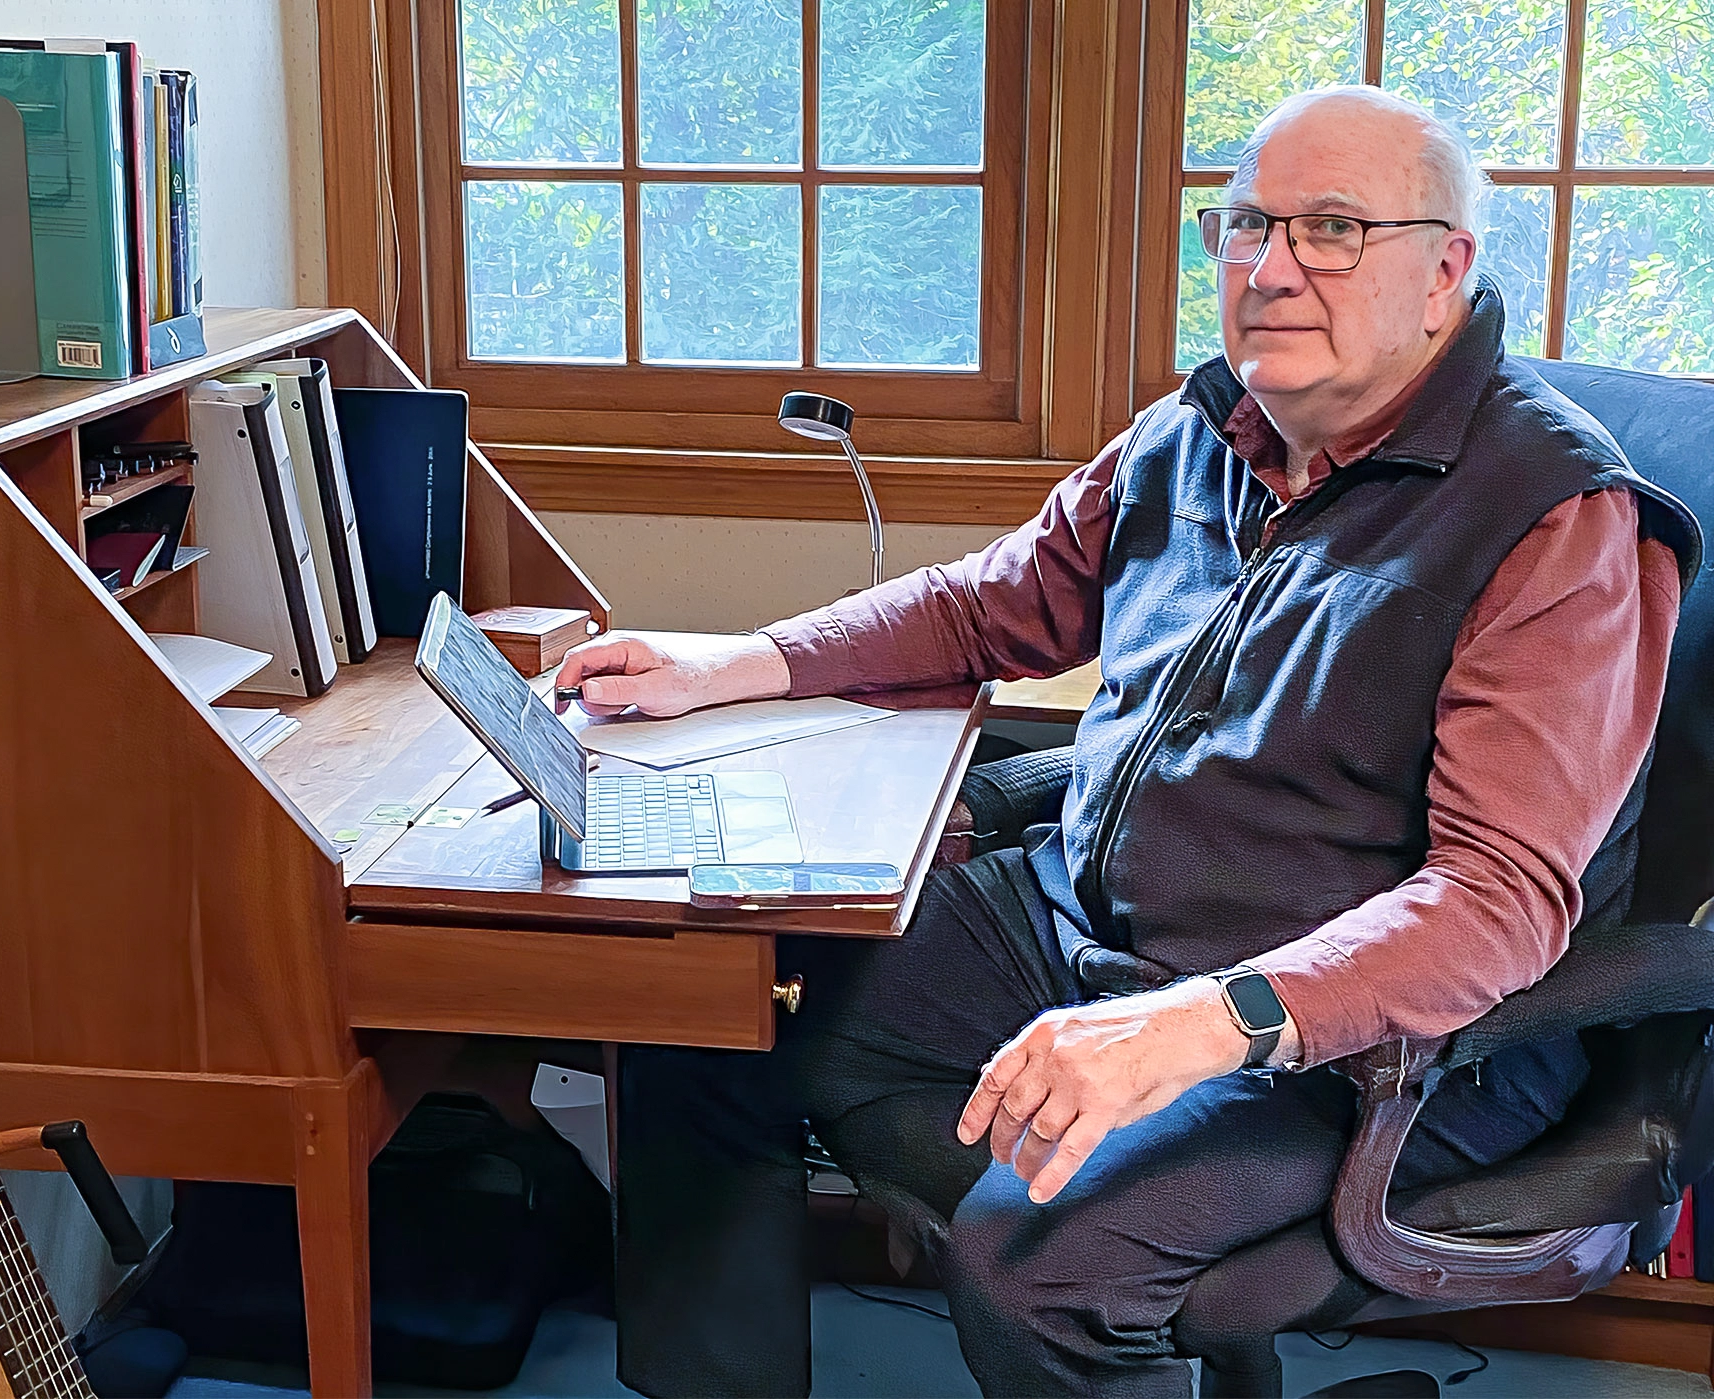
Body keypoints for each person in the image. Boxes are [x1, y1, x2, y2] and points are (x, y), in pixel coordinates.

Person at [557, 86, 1699, 1398]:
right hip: (1080, 930)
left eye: (1332, 230)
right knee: (702, 1000)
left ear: (1445, 271)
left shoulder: (1561, 520)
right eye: (1249, 225)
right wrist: (739, 660)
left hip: (1362, 1044)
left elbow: (1494, 901)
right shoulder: (1203, 431)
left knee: (1027, 1259)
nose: (1271, 269)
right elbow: (994, 602)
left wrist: (1201, 1024)